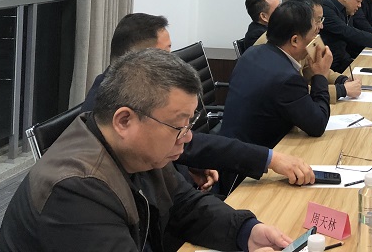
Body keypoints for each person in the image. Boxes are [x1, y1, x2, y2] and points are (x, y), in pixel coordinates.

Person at [0, 49, 292, 252]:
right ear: (124, 120)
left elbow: (185, 205)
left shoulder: (138, 152)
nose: (187, 137)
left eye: (189, 124)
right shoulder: (76, 190)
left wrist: (245, 231)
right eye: (178, 126)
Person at [83, 13, 315, 190]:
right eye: (165, 54)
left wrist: (186, 164)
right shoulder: (110, 107)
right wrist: (269, 159)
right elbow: (188, 145)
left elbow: (182, 147)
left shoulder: (125, 87)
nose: (172, 62)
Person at [221, 0, 333, 150]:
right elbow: (318, 124)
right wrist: (320, 75)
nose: (316, 41)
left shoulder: (251, 53)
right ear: (295, 40)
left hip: (229, 148)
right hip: (254, 157)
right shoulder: (287, 79)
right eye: (314, 35)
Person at [255, 0, 363, 103]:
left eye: (321, 20)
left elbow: (312, 68)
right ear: (301, 18)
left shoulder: (305, 38)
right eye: (317, 21)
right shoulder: (275, 45)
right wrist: (341, 90)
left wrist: (342, 80)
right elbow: (295, 92)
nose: (321, 26)